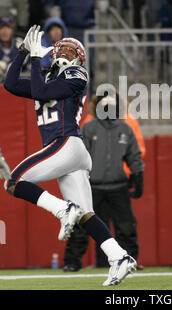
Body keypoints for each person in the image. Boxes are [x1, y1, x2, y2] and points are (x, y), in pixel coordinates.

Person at [3, 25, 136, 286]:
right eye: (60, 49)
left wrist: (34, 59)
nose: (62, 53)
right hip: (69, 152)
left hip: (65, 144)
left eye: (69, 50)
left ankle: (63, 210)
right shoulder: (47, 80)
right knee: (87, 214)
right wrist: (23, 52)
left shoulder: (77, 75)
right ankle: (119, 257)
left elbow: (40, 93)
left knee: (13, 181)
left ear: (78, 57)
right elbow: (10, 84)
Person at [63, 90, 145, 272]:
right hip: (92, 187)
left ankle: (130, 260)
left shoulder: (125, 128)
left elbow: (134, 155)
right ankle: (72, 261)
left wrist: (138, 176)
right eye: (104, 102)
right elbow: (79, 155)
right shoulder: (89, 127)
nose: (108, 105)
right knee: (81, 225)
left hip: (118, 186)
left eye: (112, 102)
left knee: (126, 227)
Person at [42, 0, 109, 90]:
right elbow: (48, 1)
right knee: (66, 69)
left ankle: (88, 100)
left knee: (88, 66)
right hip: (65, 32)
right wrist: (54, 13)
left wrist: (101, 4)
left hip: (88, 30)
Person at [0, 16, 28, 83]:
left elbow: (29, 68)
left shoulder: (20, 44)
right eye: (1, 28)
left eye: (8, 28)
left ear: (12, 30)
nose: (5, 31)